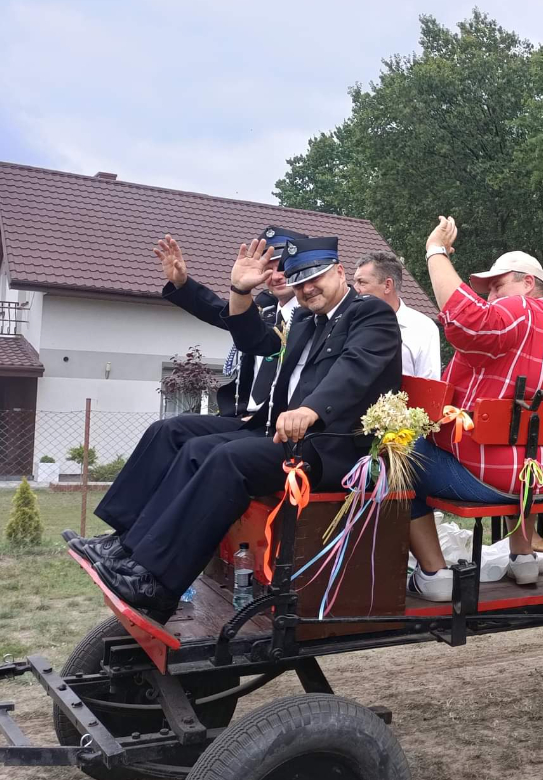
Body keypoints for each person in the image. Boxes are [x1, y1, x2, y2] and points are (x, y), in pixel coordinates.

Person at [69, 236, 402, 622]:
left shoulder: (370, 313)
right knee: (176, 434)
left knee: (225, 458)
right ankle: (126, 548)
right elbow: (253, 340)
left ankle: (157, 586)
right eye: (299, 281)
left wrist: (310, 409)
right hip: (277, 430)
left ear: (340, 272)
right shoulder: (304, 319)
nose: (307, 288)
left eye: (316, 278)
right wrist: (240, 291)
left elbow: (355, 368)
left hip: (329, 445)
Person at [406, 217, 543, 601]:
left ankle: (434, 574)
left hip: (497, 479)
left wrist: (435, 252)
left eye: (498, 285)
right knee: (523, 440)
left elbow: (466, 319)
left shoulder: (522, 309)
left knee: (396, 459)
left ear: (528, 284)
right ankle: (522, 558)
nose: (491, 296)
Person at [155, 227, 301, 419]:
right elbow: (223, 313)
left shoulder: (315, 315)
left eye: (283, 268)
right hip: (243, 412)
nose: (275, 276)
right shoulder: (265, 306)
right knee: (170, 427)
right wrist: (182, 284)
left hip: (284, 418)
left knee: (178, 433)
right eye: (267, 269)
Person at [352, 250, 442, 380]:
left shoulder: (423, 328)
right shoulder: (349, 322)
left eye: (362, 282)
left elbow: (429, 385)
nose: (354, 289)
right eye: (355, 282)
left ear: (387, 285)